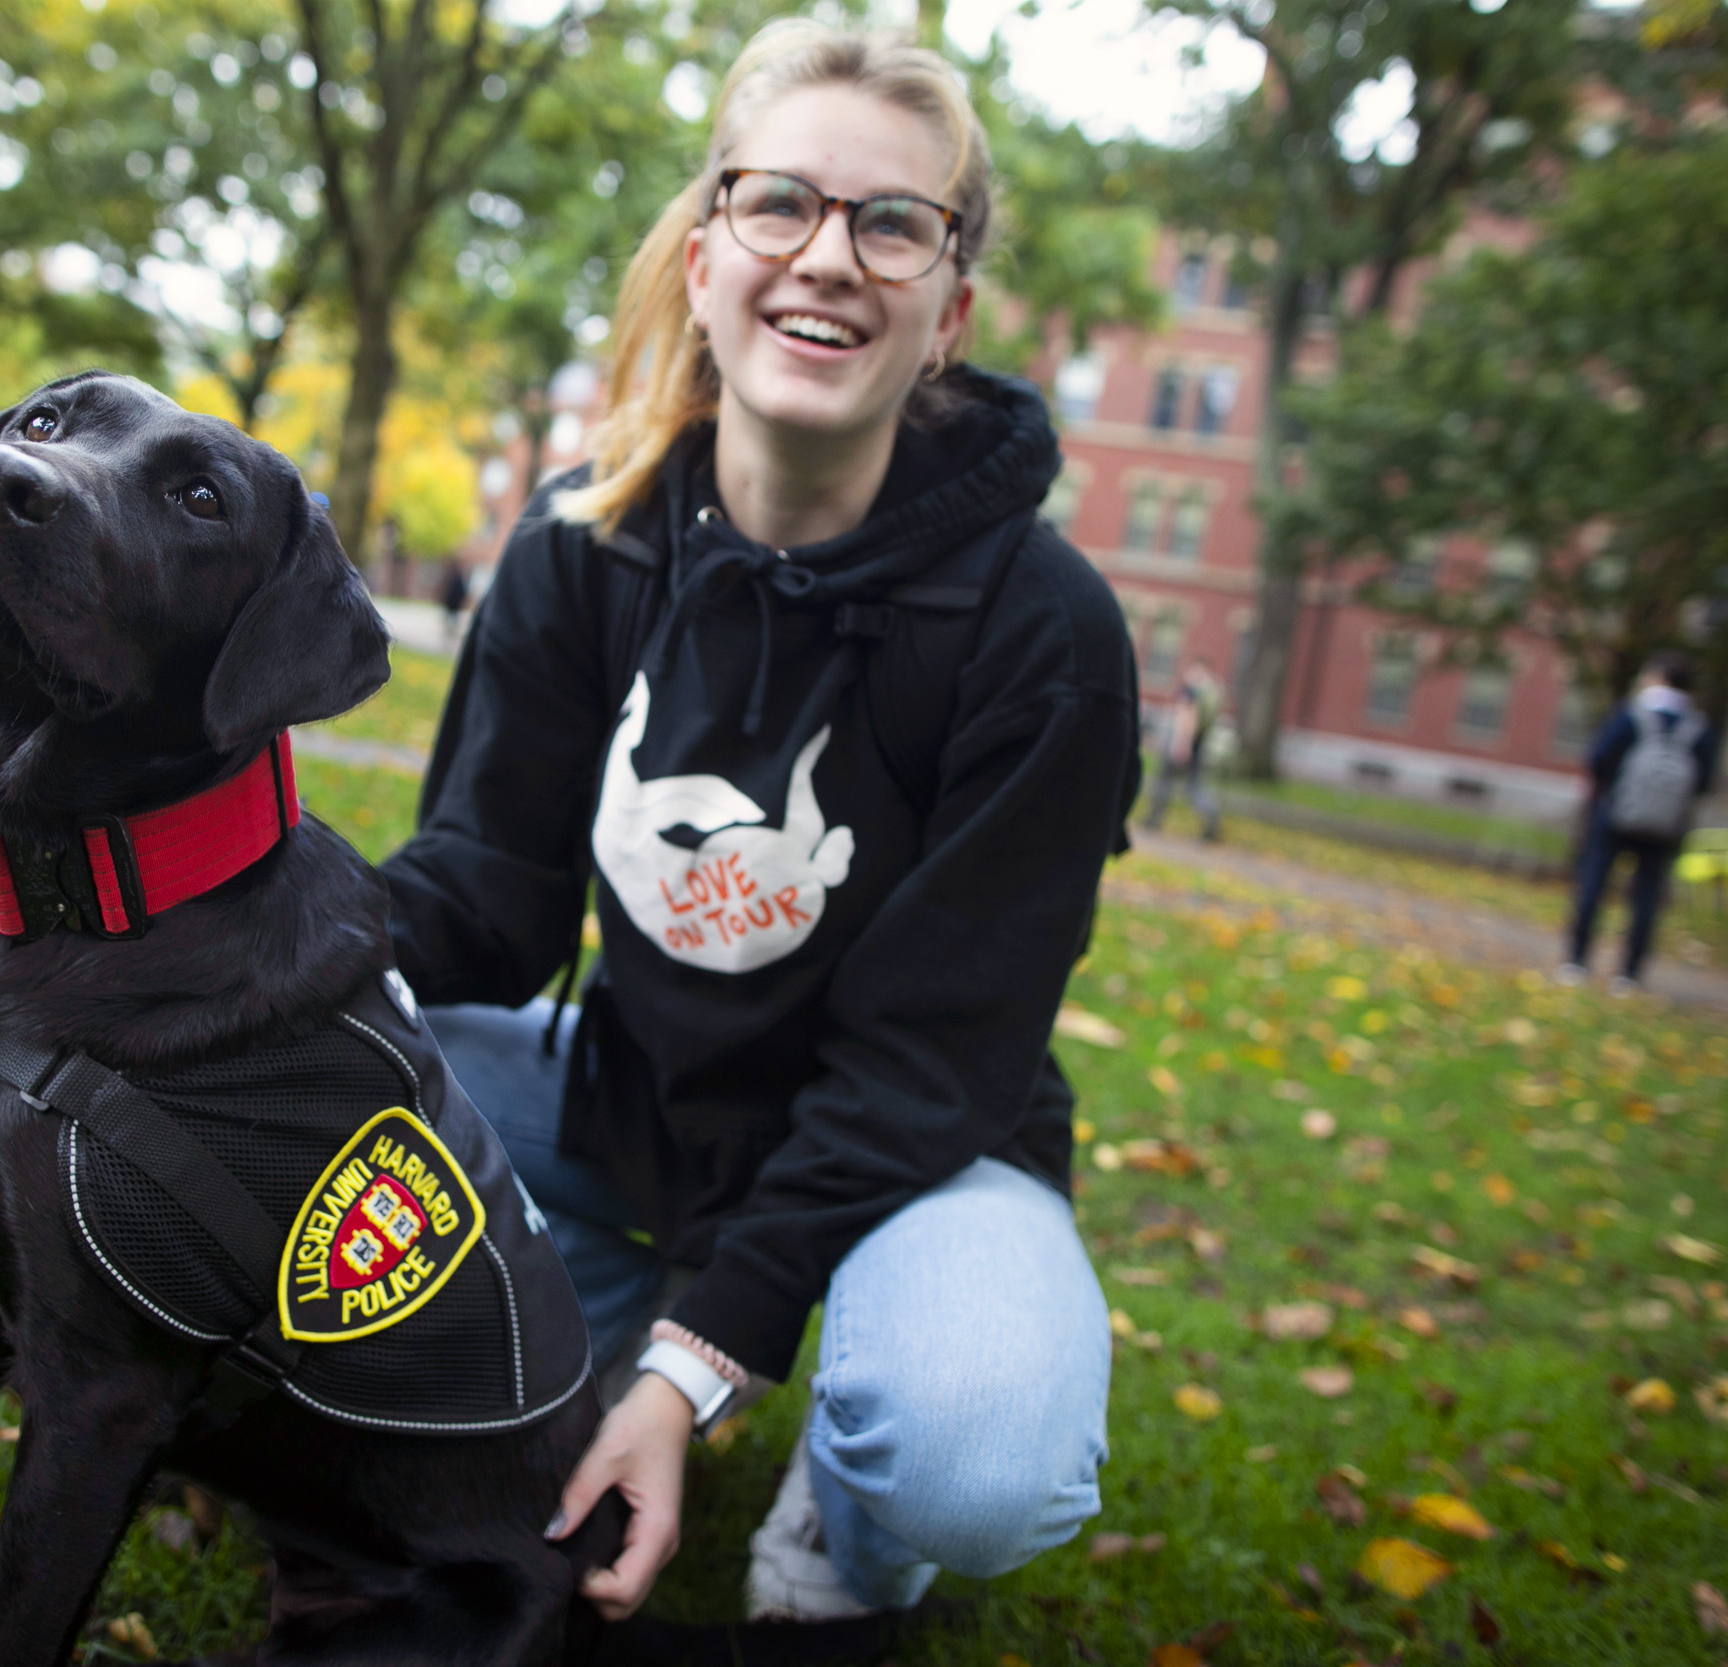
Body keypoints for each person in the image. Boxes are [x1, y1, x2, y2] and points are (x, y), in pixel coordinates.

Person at [379, 20, 1137, 1635]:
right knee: (311, 1060)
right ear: (708, 248)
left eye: (893, 223)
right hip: (633, 1106)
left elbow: (924, 1065)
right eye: (779, 202)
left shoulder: (1043, 634)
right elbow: (491, 900)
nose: (830, 257)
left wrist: (701, 1358)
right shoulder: (582, 544)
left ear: (952, 311)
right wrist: (250, 922)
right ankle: (568, 1345)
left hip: (922, 1160)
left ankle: (847, 1527)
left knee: (975, 1450)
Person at [1561, 650, 1718, 995]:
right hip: (1664, 826)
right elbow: (1705, 781)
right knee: (1646, 897)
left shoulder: (1632, 714)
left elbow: (1598, 759)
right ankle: (1628, 975)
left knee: (1594, 886)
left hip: (1615, 815)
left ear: (1657, 675)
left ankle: (1576, 962)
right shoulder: (1698, 727)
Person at [1141, 656, 1221, 841]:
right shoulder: (1210, 690)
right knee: (1193, 785)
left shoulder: (1191, 690)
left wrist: (1181, 744)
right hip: (1198, 745)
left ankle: (1154, 818)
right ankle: (1209, 816)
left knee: (1165, 782)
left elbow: (1187, 716)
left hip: (1182, 744)